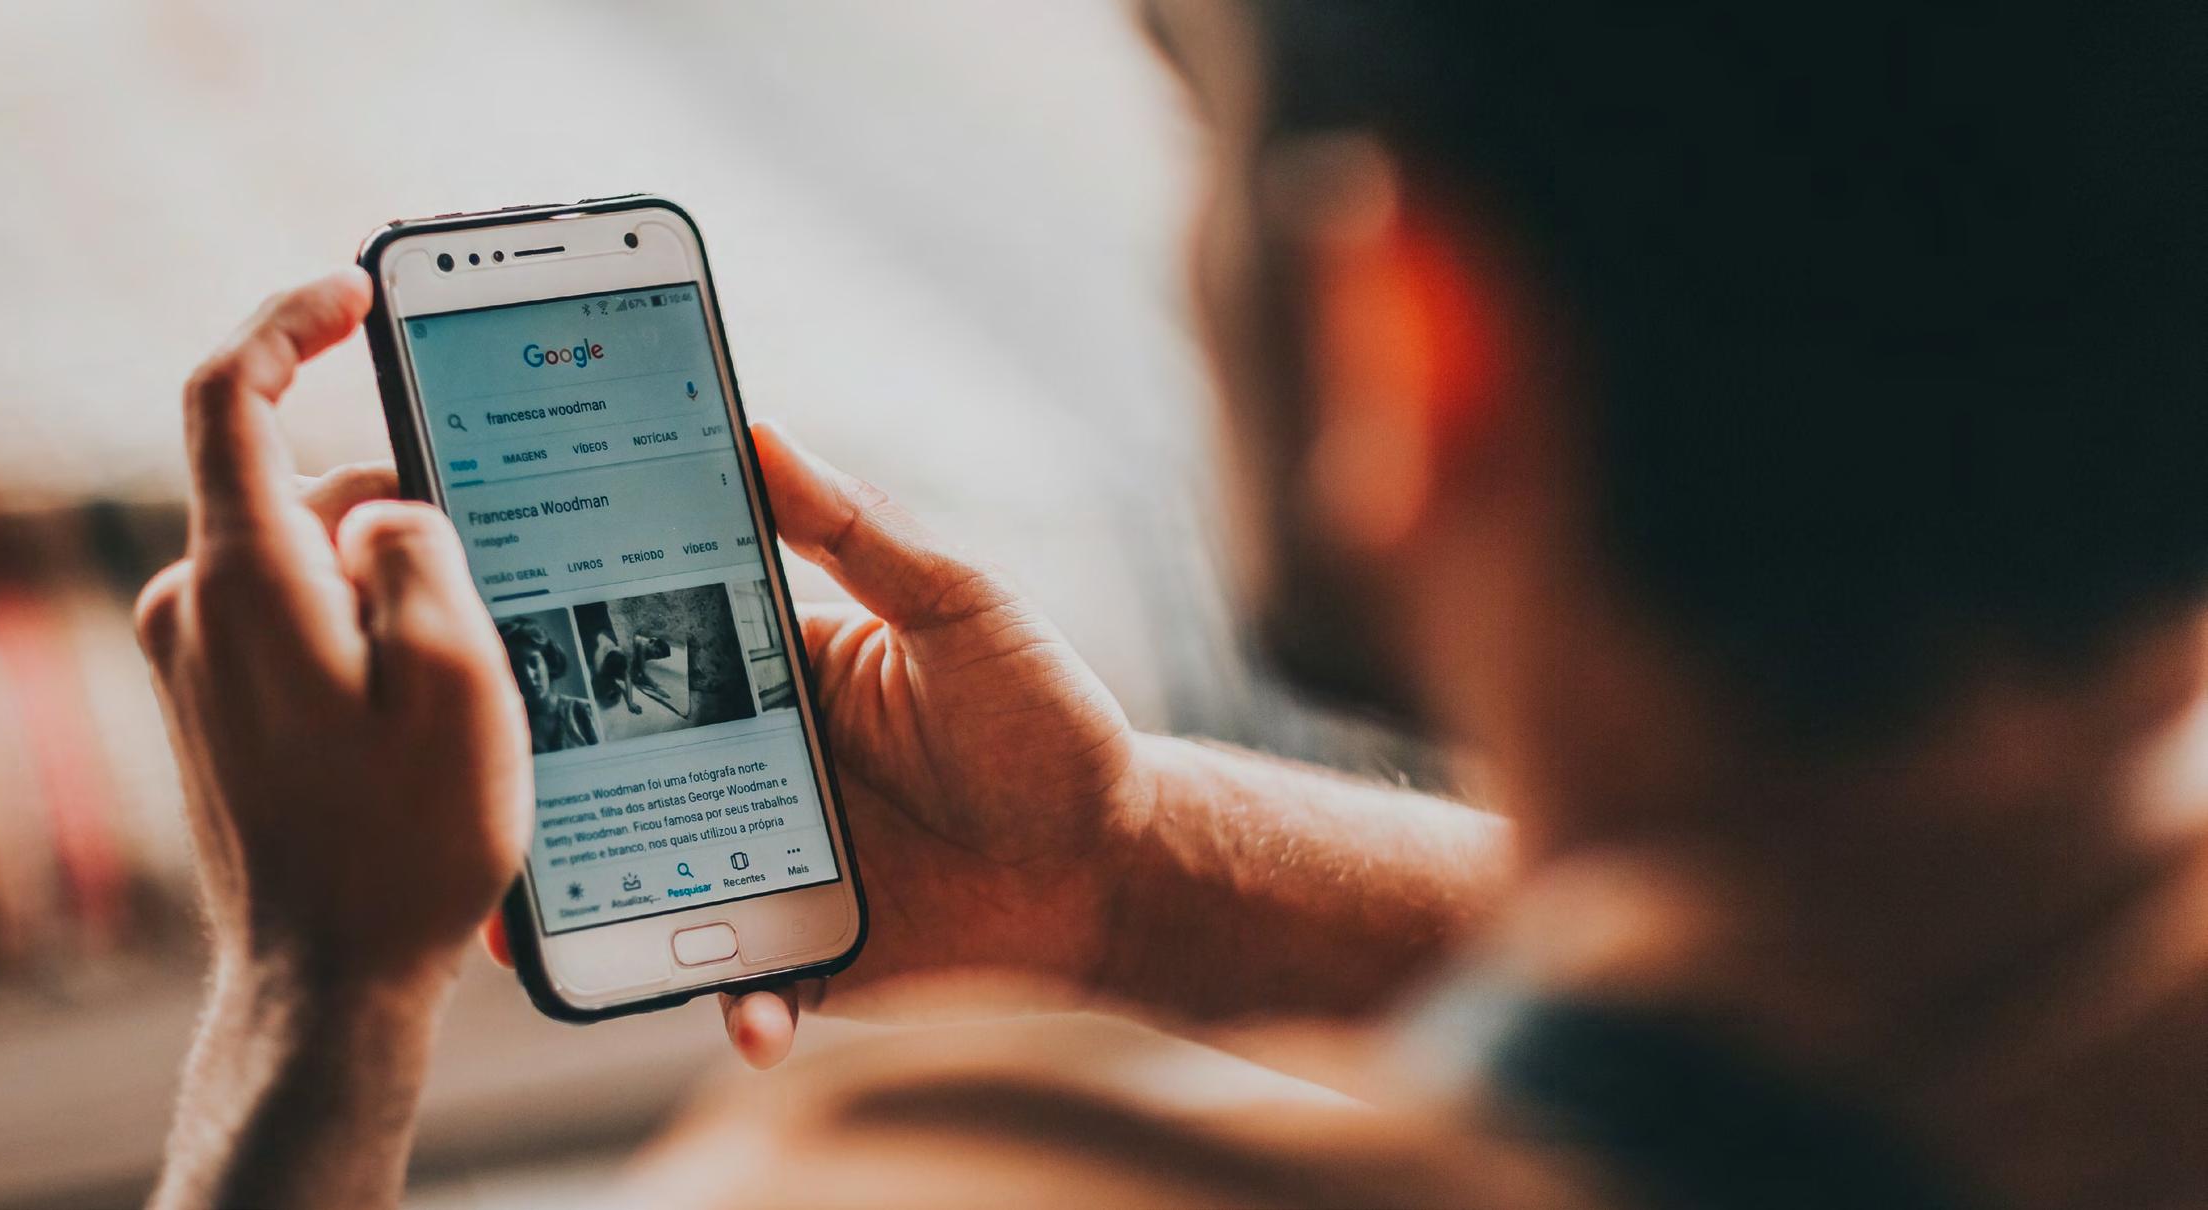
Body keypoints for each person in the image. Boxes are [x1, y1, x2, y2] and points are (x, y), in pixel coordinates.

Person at [135, 3, 2208, 1207]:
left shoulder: (946, 1182)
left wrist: (316, 1005)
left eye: (1204, 142)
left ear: (1407, 344)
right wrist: (1121, 873)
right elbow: (1842, 938)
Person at [496, 615, 596, 753]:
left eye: (534, 662)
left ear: (547, 660)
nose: (529, 676)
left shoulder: (583, 711)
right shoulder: (507, 727)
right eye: (515, 668)